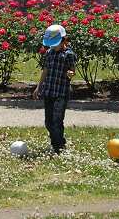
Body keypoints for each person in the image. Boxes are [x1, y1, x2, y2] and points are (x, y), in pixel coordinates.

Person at [33, 24, 77, 153]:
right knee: (48, 122)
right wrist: (38, 87)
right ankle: (57, 142)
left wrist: (70, 74)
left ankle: (58, 146)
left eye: (55, 43)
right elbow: (45, 70)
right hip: (48, 91)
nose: (52, 46)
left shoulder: (69, 54)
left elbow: (72, 71)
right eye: (50, 44)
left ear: (63, 40)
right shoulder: (49, 53)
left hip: (61, 93)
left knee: (57, 120)